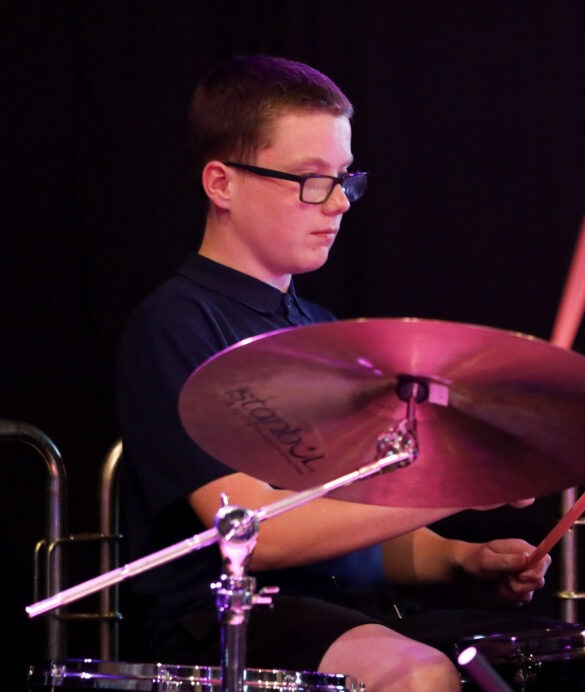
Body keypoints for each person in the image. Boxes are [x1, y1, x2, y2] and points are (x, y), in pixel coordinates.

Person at [115, 54, 552, 691]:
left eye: (345, 178)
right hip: (224, 618)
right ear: (222, 184)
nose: (340, 202)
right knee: (418, 674)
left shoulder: (320, 329)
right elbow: (257, 536)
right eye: (311, 179)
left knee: (553, 660)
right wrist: (468, 480)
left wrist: (461, 558)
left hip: (350, 612)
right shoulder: (176, 325)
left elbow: (355, 525)